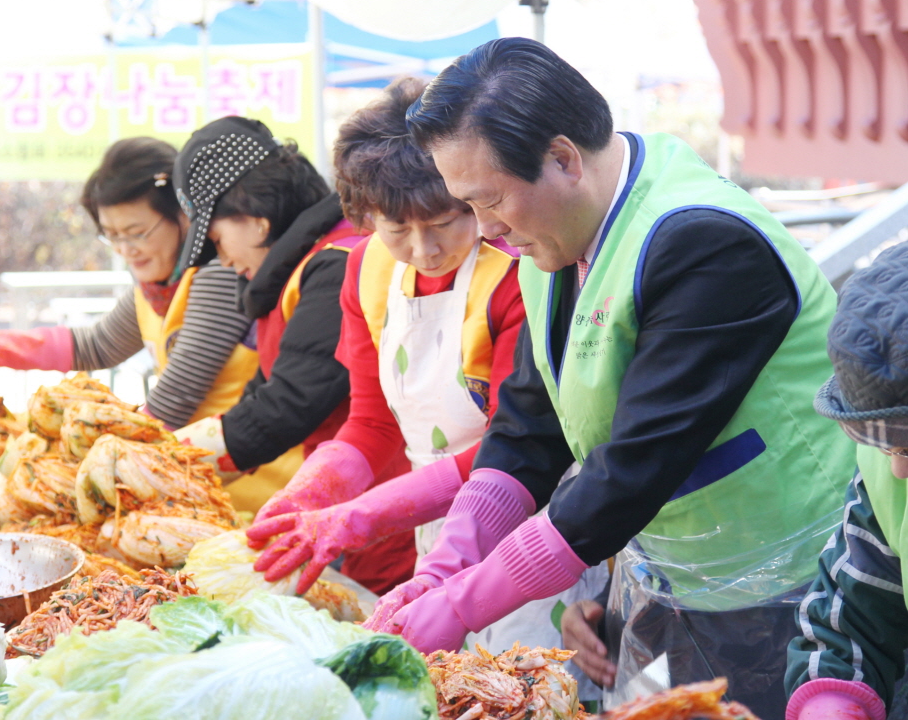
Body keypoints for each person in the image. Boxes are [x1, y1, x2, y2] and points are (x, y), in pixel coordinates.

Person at [363, 37, 854, 718]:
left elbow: (632, 464)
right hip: (673, 579)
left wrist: (465, 601)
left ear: (563, 157)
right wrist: (447, 564)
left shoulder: (702, 240)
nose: (485, 229)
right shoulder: (556, 238)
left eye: (489, 200)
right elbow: (531, 426)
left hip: (791, 593)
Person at [242, 77, 533, 600]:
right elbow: (372, 424)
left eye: (446, 222)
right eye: (397, 229)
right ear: (364, 214)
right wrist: (310, 493)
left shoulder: (516, 274)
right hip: (432, 525)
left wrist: (359, 516)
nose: (425, 251)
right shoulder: (365, 270)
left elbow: (514, 447)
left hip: (528, 527)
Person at [0, 137, 257, 474]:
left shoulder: (217, 277)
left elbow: (174, 401)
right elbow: (93, 345)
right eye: (112, 236)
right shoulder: (156, 286)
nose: (125, 250)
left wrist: (60, 459)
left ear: (184, 216)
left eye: (137, 233)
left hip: (256, 487)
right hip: (200, 469)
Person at [171, 116, 412, 570]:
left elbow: (288, 403)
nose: (222, 259)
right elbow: (265, 389)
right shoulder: (298, 271)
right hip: (344, 507)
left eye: (219, 240)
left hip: (387, 513)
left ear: (257, 220)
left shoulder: (337, 261)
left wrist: (165, 459)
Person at [785, 241, 908, 720]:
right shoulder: (885, 469)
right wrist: (832, 695)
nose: (898, 470)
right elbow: (853, 604)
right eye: (891, 448)